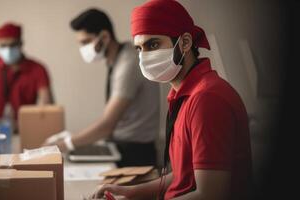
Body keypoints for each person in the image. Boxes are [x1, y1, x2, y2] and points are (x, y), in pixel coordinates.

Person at [93, 0, 252, 199]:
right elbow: (183, 175)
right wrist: (130, 193)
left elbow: (210, 194)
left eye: (153, 44)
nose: (144, 57)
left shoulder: (207, 99)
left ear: (185, 43)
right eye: (139, 48)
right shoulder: (182, 94)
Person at [46, 9, 160, 167]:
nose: (83, 48)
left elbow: (106, 126)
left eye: (86, 42)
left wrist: (64, 144)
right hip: (121, 145)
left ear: (105, 37)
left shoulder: (129, 63)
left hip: (135, 153)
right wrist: (70, 138)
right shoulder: (118, 58)